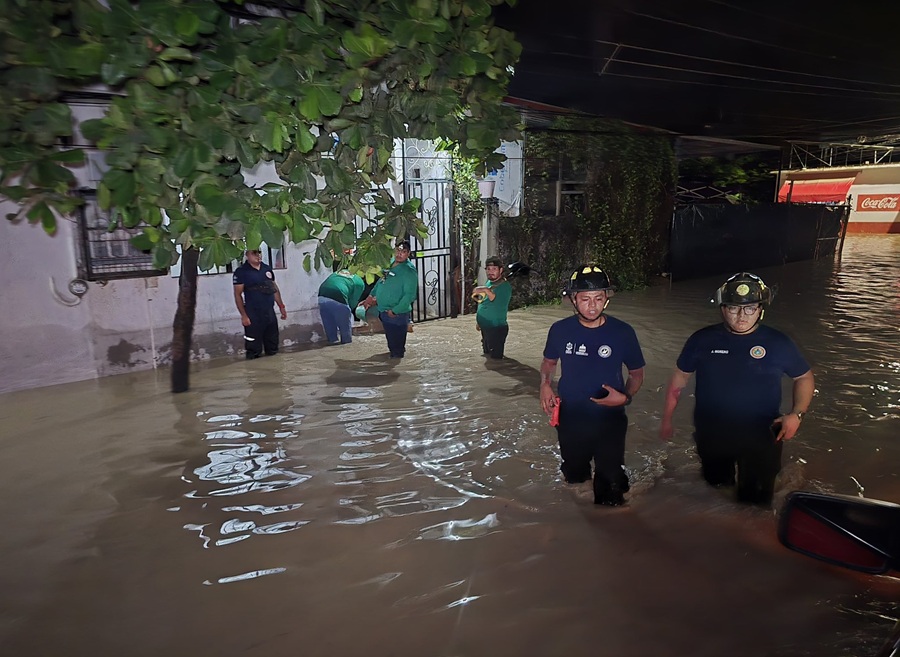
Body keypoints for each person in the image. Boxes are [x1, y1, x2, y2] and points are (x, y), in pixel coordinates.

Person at [659, 272, 815, 506]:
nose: (742, 316)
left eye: (750, 308)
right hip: (712, 433)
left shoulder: (778, 343)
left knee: (756, 502)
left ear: (760, 309)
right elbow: (679, 378)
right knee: (715, 493)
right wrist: (667, 419)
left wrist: (797, 414)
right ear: (722, 308)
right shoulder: (702, 340)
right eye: (733, 308)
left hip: (762, 433)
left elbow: (803, 377)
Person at [539, 265, 646, 506]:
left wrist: (625, 397)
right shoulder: (560, 330)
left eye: (599, 298)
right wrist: (545, 385)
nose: (592, 305)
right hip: (571, 417)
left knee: (610, 493)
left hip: (610, 418)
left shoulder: (623, 332)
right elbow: (549, 362)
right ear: (573, 300)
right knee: (575, 477)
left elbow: (637, 373)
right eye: (585, 299)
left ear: (606, 299)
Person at [361, 239, 418, 358]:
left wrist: (395, 311)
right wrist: (370, 297)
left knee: (397, 348)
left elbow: (410, 295)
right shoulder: (390, 264)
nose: (399, 254)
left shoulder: (409, 271)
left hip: (397, 314)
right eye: (397, 250)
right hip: (384, 311)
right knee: (391, 343)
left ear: (408, 253)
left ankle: (395, 368)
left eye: (403, 251)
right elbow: (380, 282)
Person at [232, 248, 287, 359]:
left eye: (259, 253)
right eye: (254, 253)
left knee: (272, 345)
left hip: (269, 312)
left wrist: (281, 306)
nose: (258, 255)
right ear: (247, 255)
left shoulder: (266, 269)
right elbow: (238, 295)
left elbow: (274, 288)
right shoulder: (241, 272)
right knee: (253, 348)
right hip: (253, 314)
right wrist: (244, 316)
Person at [473, 256, 512, 359]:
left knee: (496, 362)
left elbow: (492, 298)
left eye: (494, 269)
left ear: (501, 270)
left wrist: (485, 289)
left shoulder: (505, 286)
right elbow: (484, 302)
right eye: (488, 269)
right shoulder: (491, 282)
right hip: (485, 328)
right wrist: (479, 322)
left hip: (496, 328)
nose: (490, 272)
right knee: (487, 357)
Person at [317, 269, 367, 345]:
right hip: (338, 294)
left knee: (329, 322)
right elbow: (354, 300)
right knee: (345, 326)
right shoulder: (359, 281)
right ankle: (346, 345)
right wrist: (349, 311)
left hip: (322, 295)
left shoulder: (340, 271)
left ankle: (332, 340)